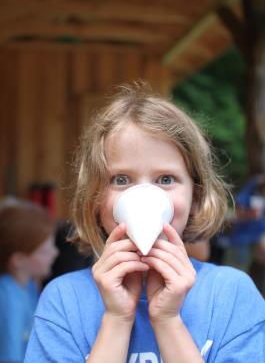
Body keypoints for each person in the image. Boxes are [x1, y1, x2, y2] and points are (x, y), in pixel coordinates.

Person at [25, 84, 265, 363]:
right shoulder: (64, 301)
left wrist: (168, 320)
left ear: (195, 197)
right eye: (122, 180)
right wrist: (116, 318)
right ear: (94, 200)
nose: (144, 197)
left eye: (165, 179)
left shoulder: (231, 295)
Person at [0, 197, 58, 362]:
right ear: (18, 260)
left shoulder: (29, 284)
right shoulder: (9, 301)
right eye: (45, 251)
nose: (55, 253)